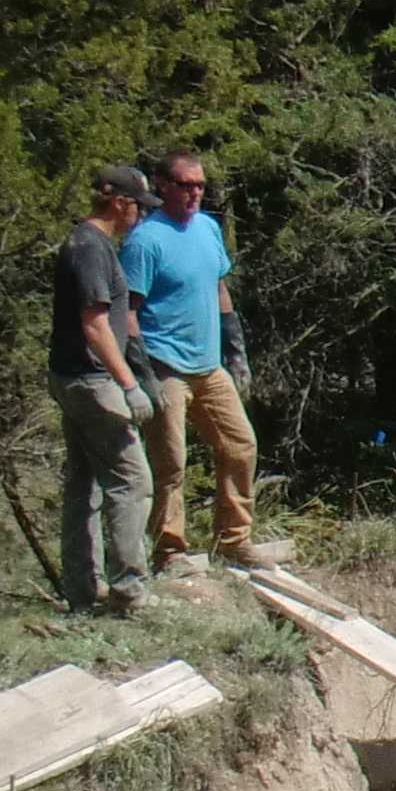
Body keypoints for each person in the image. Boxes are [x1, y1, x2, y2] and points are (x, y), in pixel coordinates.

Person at [121, 151, 278, 570]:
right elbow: (128, 311)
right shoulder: (144, 241)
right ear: (163, 186)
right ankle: (169, 550)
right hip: (164, 365)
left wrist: (236, 348)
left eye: (200, 185)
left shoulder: (208, 228)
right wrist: (141, 374)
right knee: (170, 461)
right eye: (185, 184)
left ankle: (234, 540)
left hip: (208, 365)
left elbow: (218, 288)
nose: (194, 193)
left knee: (240, 445)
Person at [50, 165, 157, 616]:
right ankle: (129, 591)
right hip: (93, 380)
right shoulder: (91, 248)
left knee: (83, 487)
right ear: (118, 203)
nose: (140, 215)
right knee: (132, 481)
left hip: (70, 377)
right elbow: (95, 325)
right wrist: (130, 384)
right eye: (137, 206)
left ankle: (81, 592)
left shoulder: (82, 243)